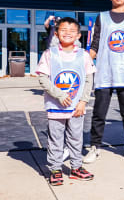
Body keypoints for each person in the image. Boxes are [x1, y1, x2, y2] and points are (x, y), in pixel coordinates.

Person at [84, 0, 124, 164]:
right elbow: (95, 43)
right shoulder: (102, 17)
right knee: (99, 113)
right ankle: (95, 147)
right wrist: (83, 61)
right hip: (104, 72)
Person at [37, 17, 96, 186]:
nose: (67, 34)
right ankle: (55, 169)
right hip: (56, 107)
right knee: (55, 138)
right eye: (63, 30)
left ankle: (76, 168)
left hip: (77, 107)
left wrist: (83, 101)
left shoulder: (84, 55)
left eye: (72, 31)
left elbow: (88, 80)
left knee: (76, 138)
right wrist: (60, 95)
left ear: (78, 35)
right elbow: (43, 78)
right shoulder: (50, 54)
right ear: (56, 33)